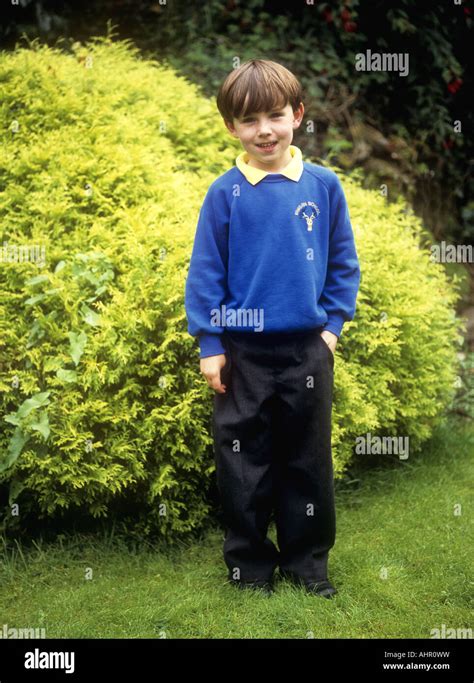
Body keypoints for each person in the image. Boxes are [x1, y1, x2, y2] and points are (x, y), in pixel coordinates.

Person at [185, 59, 361, 598]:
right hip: (242, 355)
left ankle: (308, 565)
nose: (264, 130)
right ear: (230, 128)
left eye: (275, 116)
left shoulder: (324, 186)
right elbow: (206, 272)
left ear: (297, 116)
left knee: (307, 463)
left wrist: (330, 329)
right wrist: (211, 344)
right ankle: (250, 567)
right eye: (249, 120)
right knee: (243, 464)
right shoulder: (225, 193)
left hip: (308, 351)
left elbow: (344, 265)